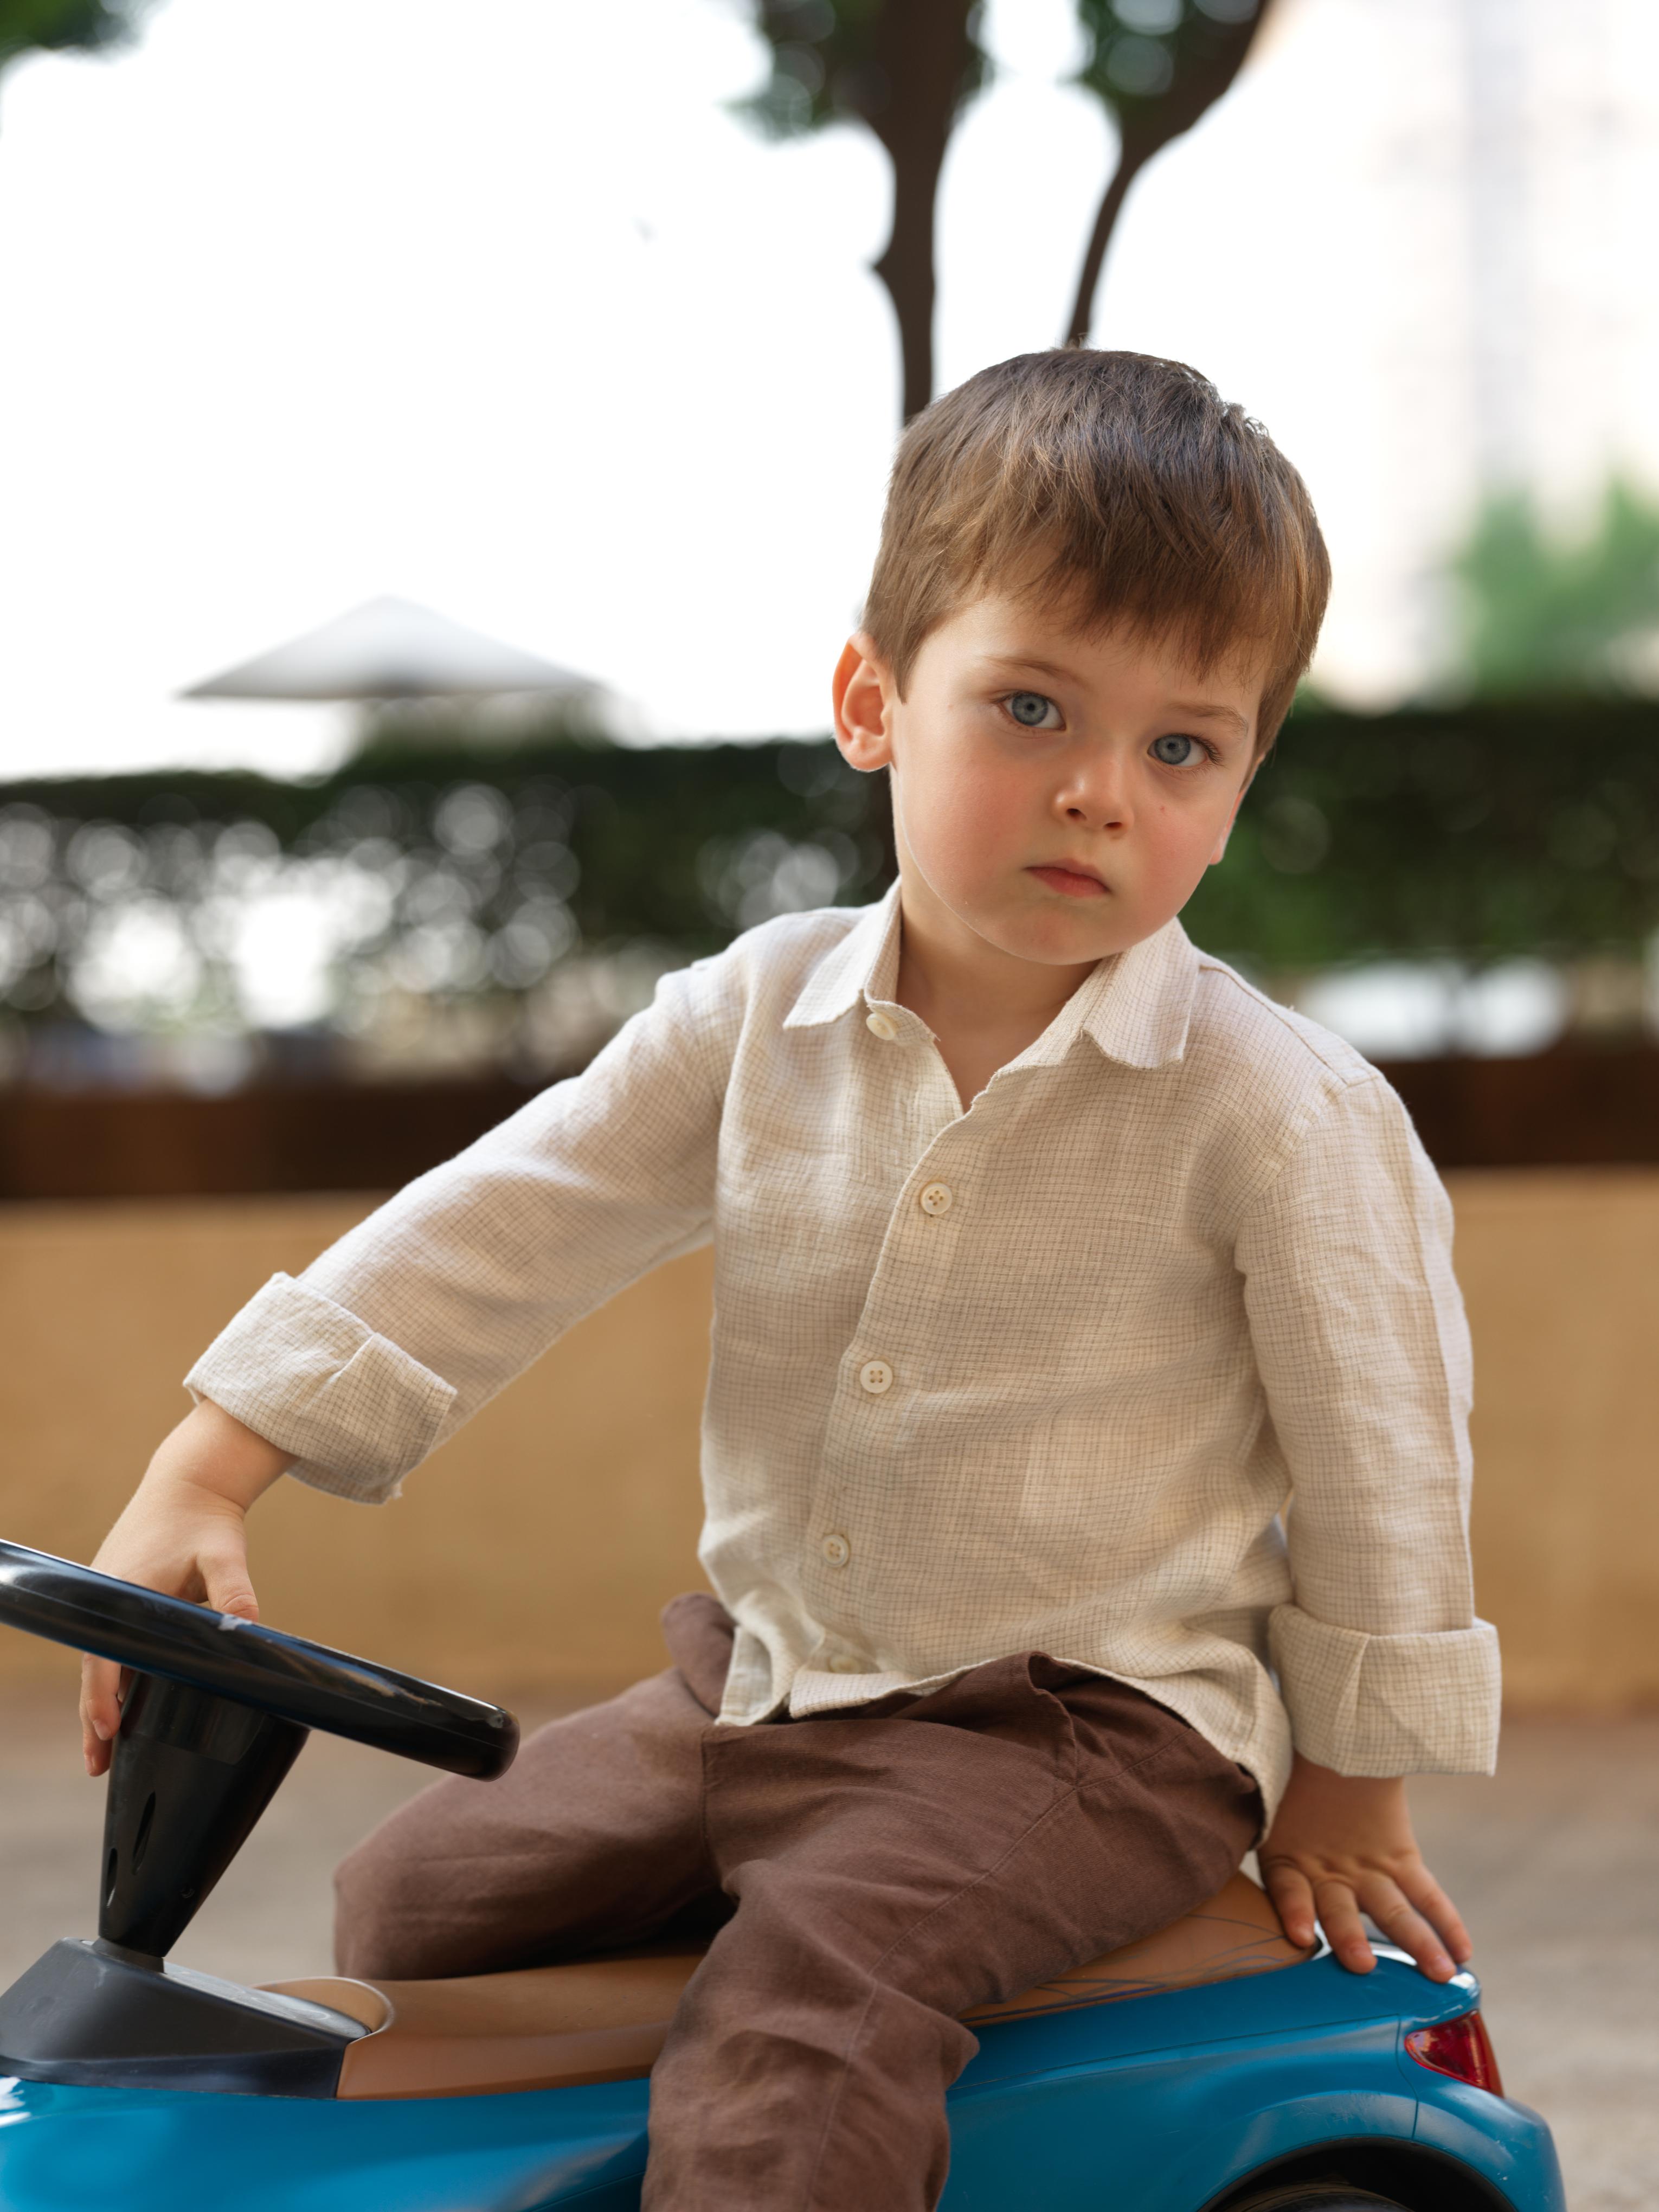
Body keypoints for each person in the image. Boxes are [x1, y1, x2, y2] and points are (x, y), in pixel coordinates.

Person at [80, 350, 1499, 2212]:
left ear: (1237, 788)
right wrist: (214, 1458)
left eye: (1178, 746)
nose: (1094, 791)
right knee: (416, 1895)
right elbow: (513, 1215)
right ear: (871, 702)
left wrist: (1350, 1780)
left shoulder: (1274, 1108)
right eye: (1029, 707)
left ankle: (804, 2125)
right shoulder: (760, 1013)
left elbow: (1381, 1448)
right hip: (769, 1685)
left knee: (806, 2005)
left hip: (1088, 1730)